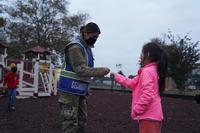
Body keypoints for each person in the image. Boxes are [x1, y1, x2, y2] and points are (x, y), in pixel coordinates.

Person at [58, 22, 110, 133]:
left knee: (82, 121)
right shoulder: (75, 47)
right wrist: (101, 71)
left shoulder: (87, 48)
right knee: (70, 123)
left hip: (80, 90)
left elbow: (84, 73)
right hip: (69, 91)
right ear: (86, 33)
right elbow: (80, 69)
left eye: (97, 37)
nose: (95, 39)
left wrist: (86, 87)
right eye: (94, 36)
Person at [111, 41, 168, 133]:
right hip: (154, 117)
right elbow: (131, 83)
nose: (140, 56)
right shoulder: (152, 70)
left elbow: (147, 95)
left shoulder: (147, 72)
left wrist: (136, 110)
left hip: (148, 117)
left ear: (148, 54)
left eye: (142, 53)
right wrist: (116, 76)